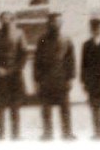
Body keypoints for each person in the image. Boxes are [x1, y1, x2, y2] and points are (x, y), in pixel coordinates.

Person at [33, 12, 77, 141]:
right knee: (46, 109)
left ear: (61, 23)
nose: (56, 24)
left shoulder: (67, 39)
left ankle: (67, 133)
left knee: (65, 108)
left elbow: (71, 60)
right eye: (53, 22)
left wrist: (70, 78)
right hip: (46, 80)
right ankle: (47, 133)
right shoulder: (42, 39)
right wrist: (36, 80)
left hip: (62, 79)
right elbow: (37, 61)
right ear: (49, 23)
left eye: (59, 21)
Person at [0, 12, 27, 141]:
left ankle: (16, 134)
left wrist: (13, 70)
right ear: (0, 21)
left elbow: (23, 55)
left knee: (15, 106)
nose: (6, 21)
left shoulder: (19, 34)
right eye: (3, 19)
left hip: (14, 76)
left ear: (13, 20)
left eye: (9, 19)